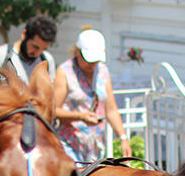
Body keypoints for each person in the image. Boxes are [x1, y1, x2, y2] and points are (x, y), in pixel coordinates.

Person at [54, 27, 132, 164]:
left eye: (95, 60)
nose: (92, 64)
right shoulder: (64, 72)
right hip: (70, 143)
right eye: (88, 60)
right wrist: (80, 116)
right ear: (77, 52)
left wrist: (123, 137)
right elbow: (53, 109)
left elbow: (111, 109)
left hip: (95, 145)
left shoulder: (102, 70)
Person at [0, 15, 58, 82]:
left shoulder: (46, 60)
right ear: (24, 35)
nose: (37, 53)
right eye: (35, 47)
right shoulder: (1, 55)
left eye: (44, 49)